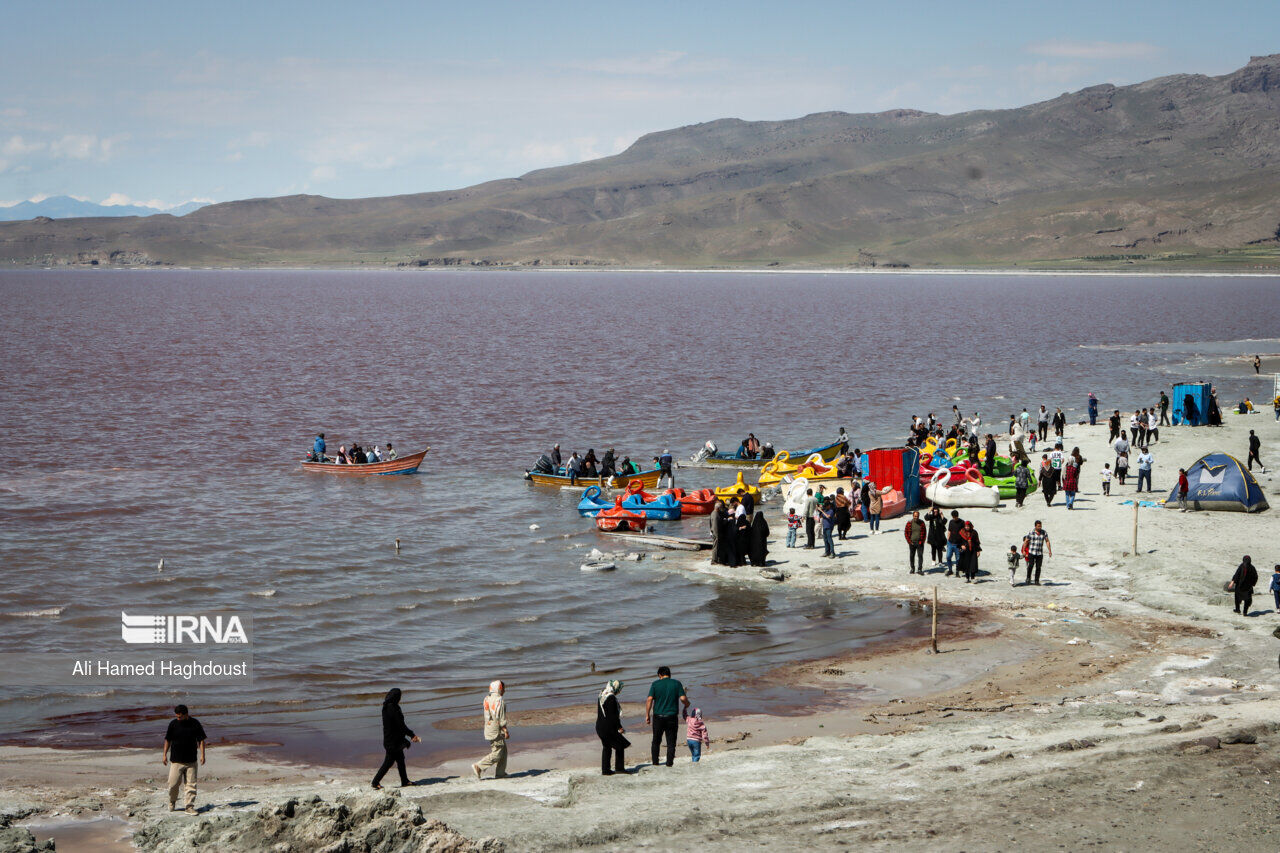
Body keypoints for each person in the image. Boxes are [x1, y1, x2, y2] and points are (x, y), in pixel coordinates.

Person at [372, 688, 420, 789]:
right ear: (396, 697)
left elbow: (398, 725)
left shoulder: (387, 706)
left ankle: (405, 781)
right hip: (393, 741)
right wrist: (412, 735)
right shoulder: (392, 708)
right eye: (399, 697)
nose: (400, 699)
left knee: (400, 759)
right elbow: (400, 725)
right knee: (388, 762)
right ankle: (375, 782)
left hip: (392, 739)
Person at [163, 704, 206, 814]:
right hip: (176, 760)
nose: (178, 718)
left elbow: (201, 740)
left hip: (191, 760)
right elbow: (168, 740)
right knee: (173, 784)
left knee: (191, 785)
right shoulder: (173, 724)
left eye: (180, 716)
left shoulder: (195, 723)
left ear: (186, 715)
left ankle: (189, 806)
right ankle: (172, 801)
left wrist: (202, 755)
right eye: (176, 716)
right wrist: (164, 755)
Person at [645, 667, 689, 767]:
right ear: (669, 674)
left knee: (656, 741)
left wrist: (647, 715)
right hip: (672, 717)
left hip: (658, 717)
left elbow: (649, 699)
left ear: (660, 675)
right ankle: (669, 764)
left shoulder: (655, 684)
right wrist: (687, 704)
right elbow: (683, 698)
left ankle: (655, 763)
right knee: (671, 742)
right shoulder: (676, 683)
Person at [471, 680, 509, 780]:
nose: (504, 690)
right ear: (499, 688)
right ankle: (479, 766)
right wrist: (505, 731)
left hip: (489, 727)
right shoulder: (499, 700)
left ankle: (500, 773)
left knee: (503, 751)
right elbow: (501, 718)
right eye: (503, 688)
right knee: (497, 752)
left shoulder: (487, 698)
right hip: (496, 729)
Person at [596, 680, 629, 775]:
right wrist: (619, 727)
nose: (620, 691)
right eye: (619, 689)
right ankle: (619, 768)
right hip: (608, 728)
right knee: (620, 745)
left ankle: (605, 770)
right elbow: (613, 716)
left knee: (607, 747)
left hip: (600, 726)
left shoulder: (602, 694)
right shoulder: (611, 698)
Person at [1024, 521, 1051, 585]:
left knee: (1038, 567)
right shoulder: (1031, 532)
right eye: (1038, 526)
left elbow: (1047, 541)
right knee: (1030, 565)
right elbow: (1026, 541)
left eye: (1040, 526)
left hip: (1039, 553)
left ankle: (1036, 580)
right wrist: (1024, 550)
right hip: (1031, 552)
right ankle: (1028, 578)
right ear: (1035, 526)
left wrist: (1049, 550)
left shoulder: (1044, 532)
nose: (1040, 527)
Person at [945, 510, 963, 576]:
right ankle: (950, 570)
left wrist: (963, 543)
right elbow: (949, 531)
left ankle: (957, 571)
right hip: (950, 543)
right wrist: (947, 541)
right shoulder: (951, 522)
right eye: (953, 517)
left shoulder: (962, 522)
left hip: (958, 544)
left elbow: (963, 533)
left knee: (958, 558)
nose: (954, 518)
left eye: (955, 517)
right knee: (948, 557)